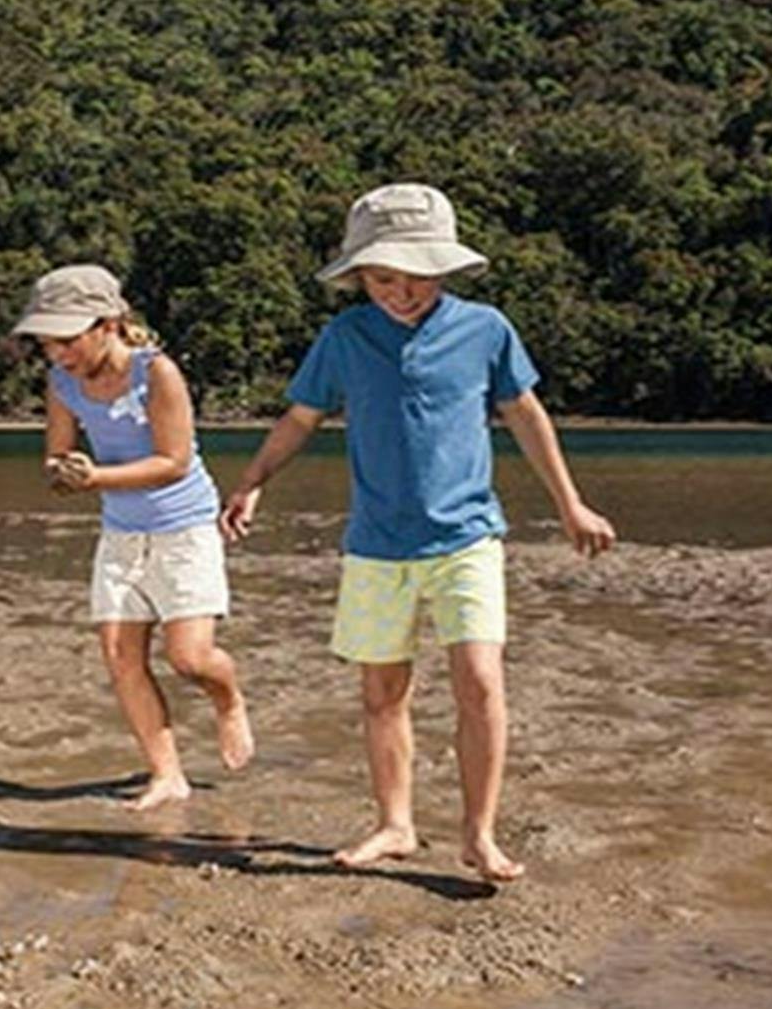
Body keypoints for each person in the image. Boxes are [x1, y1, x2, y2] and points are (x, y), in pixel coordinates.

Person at [219, 184, 615, 882]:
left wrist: (570, 505)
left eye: (418, 277)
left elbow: (525, 415)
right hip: (376, 544)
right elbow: (300, 421)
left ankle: (479, 835)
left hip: (468, 537)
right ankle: (395, 824)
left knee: (481, 682)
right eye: (383, 279)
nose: (402, 293)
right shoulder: (344, 337)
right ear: (358, 276)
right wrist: (252, 483)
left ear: (446, 269)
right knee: (382, 692)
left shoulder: (485, 329)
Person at [15, 263, 254, 810]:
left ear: (110, 324)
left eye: (67, 341)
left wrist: (96, 477)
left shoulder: (158, 373)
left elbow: (172, 462)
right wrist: (64, 472)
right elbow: (55, 456)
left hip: (184, 529)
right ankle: (167, 775)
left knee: (190, 659)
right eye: (48, 344)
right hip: (122, 532)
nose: (58, 355)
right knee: (121, 656)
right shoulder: (61, 382)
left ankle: (229, 698)